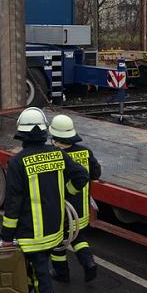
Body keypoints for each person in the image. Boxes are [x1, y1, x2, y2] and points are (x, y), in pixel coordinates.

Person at [0, 107, 89, 293]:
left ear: (22, 135)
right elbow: (82, 176)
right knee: (32, 266)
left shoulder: (17, 162)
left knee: (43, 280)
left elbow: (12, 205)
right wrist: (66, 195)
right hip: (55, 231)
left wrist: (6, 237)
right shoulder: (58, 154)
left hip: (31, 236)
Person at [48, 114, 101, 283]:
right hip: (81, 210)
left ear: (55, 136)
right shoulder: (85, 151)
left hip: (62, 210)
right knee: (77, 237)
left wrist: (67, 191)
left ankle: (61, 273)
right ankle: (88, 263)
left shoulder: (55, 156)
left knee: (58, 243)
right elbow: (95, 174)